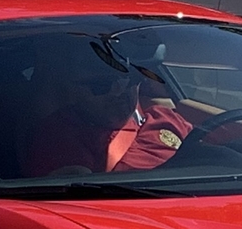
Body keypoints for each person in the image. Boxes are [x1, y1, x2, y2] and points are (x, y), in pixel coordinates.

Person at [23, 41, 197, 177]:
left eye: (130, 80)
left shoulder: (166, 118)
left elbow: (212, 157)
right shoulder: (61, 137)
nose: (119, 90)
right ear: (72, 89)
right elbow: (82, 201)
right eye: (101, 85)